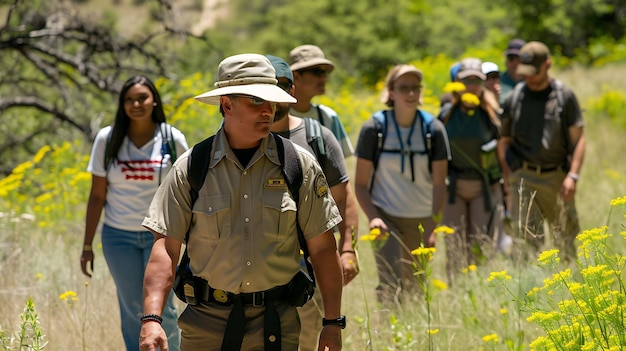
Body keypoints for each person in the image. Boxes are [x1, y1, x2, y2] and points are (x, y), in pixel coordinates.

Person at [139, 54, 345, 351]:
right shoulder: (192, 167)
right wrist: (151, 318)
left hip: (277, 322)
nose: (267, 111)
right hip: (207, 325)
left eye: (271, 102)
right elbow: (166, 249)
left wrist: (332, 322)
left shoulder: (298, 165)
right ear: (226, 104)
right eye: (255, 102)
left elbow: (323, 249)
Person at [81, 75, 187, 351]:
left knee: (165, 309)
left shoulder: (171, 137)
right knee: (131, 310)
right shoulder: (108, 138)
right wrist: (86, 245)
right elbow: (96, 196)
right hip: (119, 237)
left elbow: (188, 190)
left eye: (142, 98)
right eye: (129, 99)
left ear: (154, 101)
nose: (136, 104)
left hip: (161, 238)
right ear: (122, 104)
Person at [266, 54, 358, 351]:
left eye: (281, 85)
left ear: (292, 91)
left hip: (309, 268)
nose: (274, 94)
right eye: (267, 86)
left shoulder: (318, 136)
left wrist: (347, 249)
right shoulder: (244, 138)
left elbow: (343, 199)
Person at [354, 64, 450, 300]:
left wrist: (432, 226)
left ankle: (416, 329)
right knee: (389, 282)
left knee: (418, 283)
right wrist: (374, 217)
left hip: (422, 218)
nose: (410, 94)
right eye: (403, 88)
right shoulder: (374, 128)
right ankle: (387, 331)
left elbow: (440, 184)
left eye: (415, 88)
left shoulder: (433, 129)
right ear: (391, 92)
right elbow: (360, 185)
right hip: (386, 217)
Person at [497, 41, 585, 258]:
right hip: (522, 178)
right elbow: (504, 141)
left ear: (547, 65)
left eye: (533, 73)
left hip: (557, 177)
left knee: (566, 239)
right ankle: (533, 288)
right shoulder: (514, 98)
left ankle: (568, 287)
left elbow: (579, 139)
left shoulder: (564, 96)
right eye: (524, 72)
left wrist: (572, 176)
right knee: (526, 244)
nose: (528, 78)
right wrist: (510, 179)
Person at [438, 58, 505, 277]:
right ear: (458, 82)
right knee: (455, 247)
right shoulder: (445, 114)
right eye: (467, 80)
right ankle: (457, 298)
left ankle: (482, 292)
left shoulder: (492, 114)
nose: (472, 85)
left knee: (482, 246)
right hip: (453, 189)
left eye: (477, 80)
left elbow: (503, 153)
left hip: (485, 188)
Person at [288, 44, 354, 158]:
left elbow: (339, 165)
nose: (324, 78)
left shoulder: (328, 116)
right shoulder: (278, 115)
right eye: (317, 72)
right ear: (296, 76)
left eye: (325, 72)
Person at [500, 38, 526, 106]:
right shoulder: (497, 81)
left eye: (519, 58)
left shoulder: (532, 82)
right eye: (511, 58)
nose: (515, 62)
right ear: (506, 61)